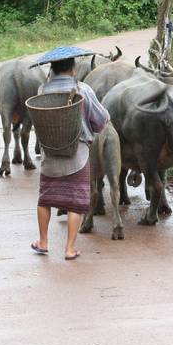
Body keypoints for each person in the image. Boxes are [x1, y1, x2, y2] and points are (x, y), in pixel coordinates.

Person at [29, 47, 109, 261]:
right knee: (76, 201)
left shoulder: (41, 91)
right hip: (78, 155)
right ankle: (70, 248)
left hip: (50, 155)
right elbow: (101, 120)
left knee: (45, 199)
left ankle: (43, 242)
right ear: (73, 69)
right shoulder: (83, 90)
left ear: (52, 69)